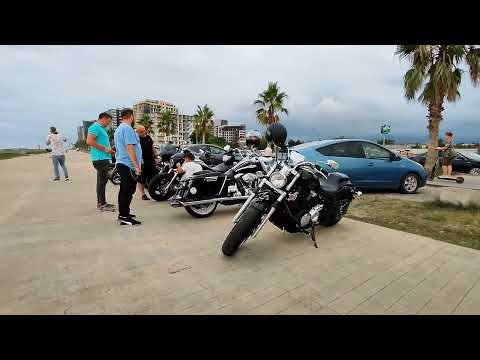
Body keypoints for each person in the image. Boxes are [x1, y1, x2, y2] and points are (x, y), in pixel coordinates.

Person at [114, 108, 143, 226]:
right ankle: (124, 217)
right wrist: (137, 166)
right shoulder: (128, 128)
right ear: (131, 116)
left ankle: (124, 213)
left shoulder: (119, 129)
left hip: (122, 163)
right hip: (127, 164)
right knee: (127, 191)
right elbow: (130, 148)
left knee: (125, 190)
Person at [86, 113, 116, 212]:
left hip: (103, 158)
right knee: (102, 182)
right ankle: (102, 204)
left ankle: (102, 202)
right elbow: (89, 141)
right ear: (104, 118)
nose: (109, 123)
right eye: (109, 121)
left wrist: (109, 150)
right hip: (100, 159)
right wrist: (105, 149)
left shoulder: (101, 129)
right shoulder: (95, 127)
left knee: (101, 182)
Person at [135, 125, 158, 200]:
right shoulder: (136, 139)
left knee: (154, 175)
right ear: (137, 132)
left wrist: (155, 153)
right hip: (142, 161)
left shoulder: (148, 137)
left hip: (151, 160)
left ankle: (152, 190)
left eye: (144, 130)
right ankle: (143, 194)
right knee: (141, 178)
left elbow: (151, 146)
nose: (143, 132)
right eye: (141, 132)